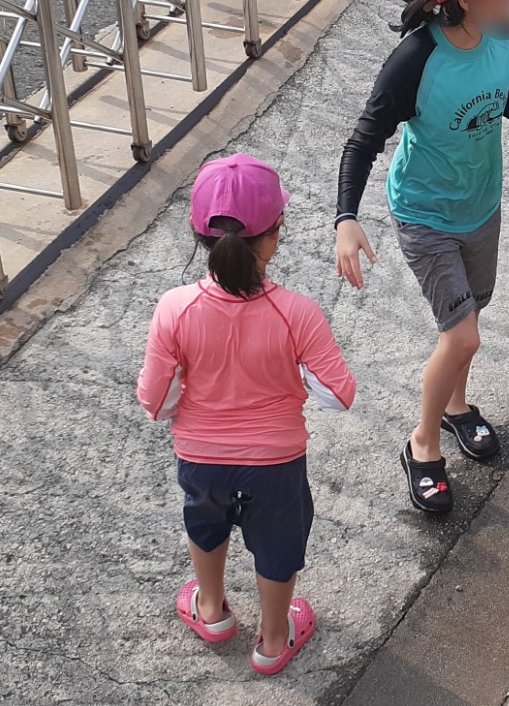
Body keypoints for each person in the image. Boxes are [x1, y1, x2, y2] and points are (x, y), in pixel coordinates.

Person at [333, 0, 509, 514]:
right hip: (426, 212)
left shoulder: (505, 37)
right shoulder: (415, 62)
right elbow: (363, 140)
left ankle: (455, 407)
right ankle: (422, 445)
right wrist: (346, 217)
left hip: (481, 204)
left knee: (468, 316)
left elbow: (499, 93)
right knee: (462, 333)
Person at [138, 154, 357, 674]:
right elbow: (337, 393)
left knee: (205, 525)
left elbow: (156, 401)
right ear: (274, 235)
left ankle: (212, 612)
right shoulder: (298, 312)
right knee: (278, 545)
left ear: (197, 232)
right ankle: (274, 641)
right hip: (276, 464)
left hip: (201, 458)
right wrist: (291, 383)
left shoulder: (175, 307)